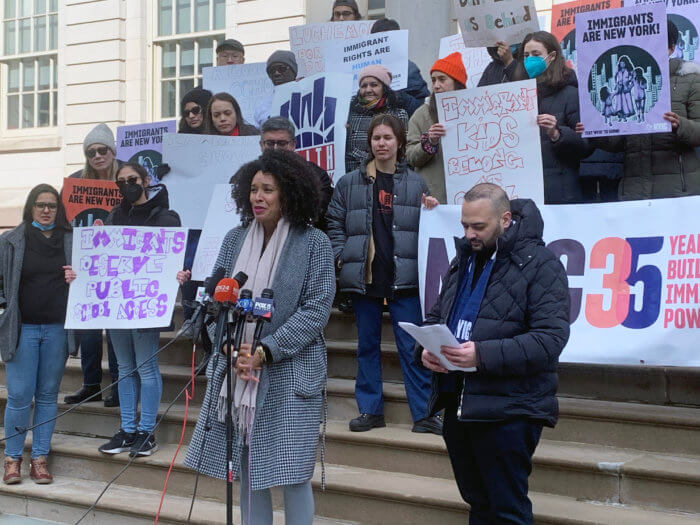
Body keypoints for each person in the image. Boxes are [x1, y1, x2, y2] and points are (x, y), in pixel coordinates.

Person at [184, 149, 334, 525]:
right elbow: (216, 300)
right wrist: (227, 345)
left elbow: (316, 309)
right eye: (253, 189)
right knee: (247, 468)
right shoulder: (235, 239)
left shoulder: (313, 242)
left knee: (293, 474)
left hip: (290, 372)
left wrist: (266, 350)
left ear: (288, 194)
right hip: (237, 371)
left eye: (268, 189)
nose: (258, 197)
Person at [417, 183, 570, 524]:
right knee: (479, 503)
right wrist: (426, 349)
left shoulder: (541, 265)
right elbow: (437, 315)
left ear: (505, 219)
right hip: (459, 401)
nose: (469, 234)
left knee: (506, 510)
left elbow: (550, 340)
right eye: (464, 226)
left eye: (478, 227)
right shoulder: (464, 260)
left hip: (510, 408)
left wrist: (481, 355)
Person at [327, 114, 442, 435]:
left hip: (404, 279)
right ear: (370, 143)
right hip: (364, 279)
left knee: (413, 347)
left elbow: (429, 229)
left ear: (400, 142)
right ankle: (370, 411)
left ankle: (425, 413)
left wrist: (433, 209)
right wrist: (342, 257)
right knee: (366, 346)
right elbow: (334, 222)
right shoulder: (349, 182)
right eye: (376, 138)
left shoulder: (416, 183)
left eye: (388, 138)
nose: (381, 143)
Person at [97, 163, 181, 458]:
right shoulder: (114, 216)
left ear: (146, 180)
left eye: (132, 180)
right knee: (124, 370)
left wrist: (178, 274)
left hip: (146, 306)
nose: (127, 186)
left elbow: (174, 259)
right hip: (117, 304)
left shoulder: (165, 217)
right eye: (120, 182)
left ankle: (146, 431)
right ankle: (127, 430)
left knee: (145, 368)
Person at [1, 184, 76, 484]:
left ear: (59, 210)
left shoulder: (71, 241)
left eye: (52, 205)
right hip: (24, 330)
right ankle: (12, 458)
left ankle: (40, 458)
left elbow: (89, 281)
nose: (46, 210)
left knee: (47, 396)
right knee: (19, 396)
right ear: (30, 207)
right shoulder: (11, 241)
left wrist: (77, 277)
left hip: (57, 329)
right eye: (40, 204)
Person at [584, 20, 700, 199]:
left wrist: (680, 125)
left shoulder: (690, 80)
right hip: (634, 191)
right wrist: (593, 130)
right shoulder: (625, 75)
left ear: (671, 48)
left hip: (678, 192)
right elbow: (617, 144)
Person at [64, 123, 120, 407]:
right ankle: (90, 384)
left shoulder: (126, 178)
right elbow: (65, 224)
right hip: (85, 267)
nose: (97, 155)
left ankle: (120, 386)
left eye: (102, 150)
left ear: (112, 150)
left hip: (118, 266)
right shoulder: (76, 182)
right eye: (91, 152)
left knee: (116, 332)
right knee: (87, 329)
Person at [521, 31, 590, 204]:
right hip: (527, 189)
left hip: (561, 192)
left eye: (536, 55)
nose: (530, 60)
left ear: (551, 56)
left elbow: (586, 146)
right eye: (526, 55)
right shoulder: (519, 95)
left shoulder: (571, 94)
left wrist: (557, 134)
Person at [406, 52, 467, 204]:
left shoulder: (475, 111)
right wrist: (429, 143)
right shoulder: (421, 115)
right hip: (433, 200)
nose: (436, 85)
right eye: (433, 80)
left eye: (442, 79)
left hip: (470, 198)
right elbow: (410, 157)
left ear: (457, 82)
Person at [259, 116, 333, 230]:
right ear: (261, 145)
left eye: (282, 143)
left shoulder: (316, 176)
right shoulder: (250, 175)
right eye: (269, 143)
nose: (275, 149)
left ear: (293, 145)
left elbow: (322, 214)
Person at [346, 65, 408, 173]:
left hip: (387, 175)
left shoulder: (398, 114)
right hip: (353, 178)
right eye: (363, 86)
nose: (368, 90)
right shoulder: (348, 113)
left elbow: (404, 150)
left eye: (374, 85)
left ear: (384, 88)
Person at [370, 18, 430, 117]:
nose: (384, 47)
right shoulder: (362, 72)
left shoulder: (410, 69)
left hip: (399, 127)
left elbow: (422, 109)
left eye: (388, 40)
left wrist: (399, 95)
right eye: (380, 41)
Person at [254, 50, 298, 128]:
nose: (276, 73)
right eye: (272, 70)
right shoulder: (262, 106)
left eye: (282, 68)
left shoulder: (310, 97)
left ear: (293, 71)